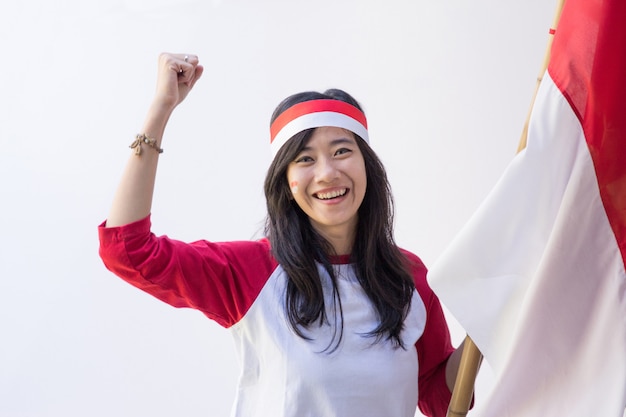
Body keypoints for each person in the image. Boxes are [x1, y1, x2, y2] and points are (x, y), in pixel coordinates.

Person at [98, 52, 467, 417]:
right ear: (286, 182)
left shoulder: (408, 277)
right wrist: (161, 109)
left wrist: (495, 315)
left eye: (341, 151)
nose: (327, 173)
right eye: (305, 159)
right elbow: (127, 251)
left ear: (367, 165)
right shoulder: (250, 272)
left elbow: (440, 398)